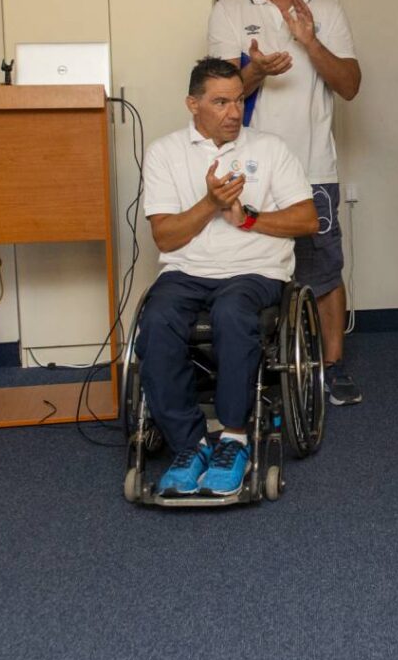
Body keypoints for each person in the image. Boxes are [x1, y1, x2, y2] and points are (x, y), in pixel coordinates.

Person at [136, 57, 318, 497]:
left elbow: (308, 220)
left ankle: (234, 438)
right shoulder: (165, 152)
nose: (234, 112)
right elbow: (165, 236)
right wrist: (210, 204)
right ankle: (190, 444)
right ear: (192, 104)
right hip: (187, 270)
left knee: (233, 313)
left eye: (238, 100)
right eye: (220, 102)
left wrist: (249, 218)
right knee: (156, 320)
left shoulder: (270, 149)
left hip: (254, 270)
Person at [208, 0, 363, 406]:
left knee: (323, 269)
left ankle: (332, 368)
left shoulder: (327, 10)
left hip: (314, 166)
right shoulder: (230, 11)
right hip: (248, 170)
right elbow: (220, 95)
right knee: (247, 267)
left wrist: (309, 41)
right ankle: (258, 367)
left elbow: (350, 85)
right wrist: (255, 70)